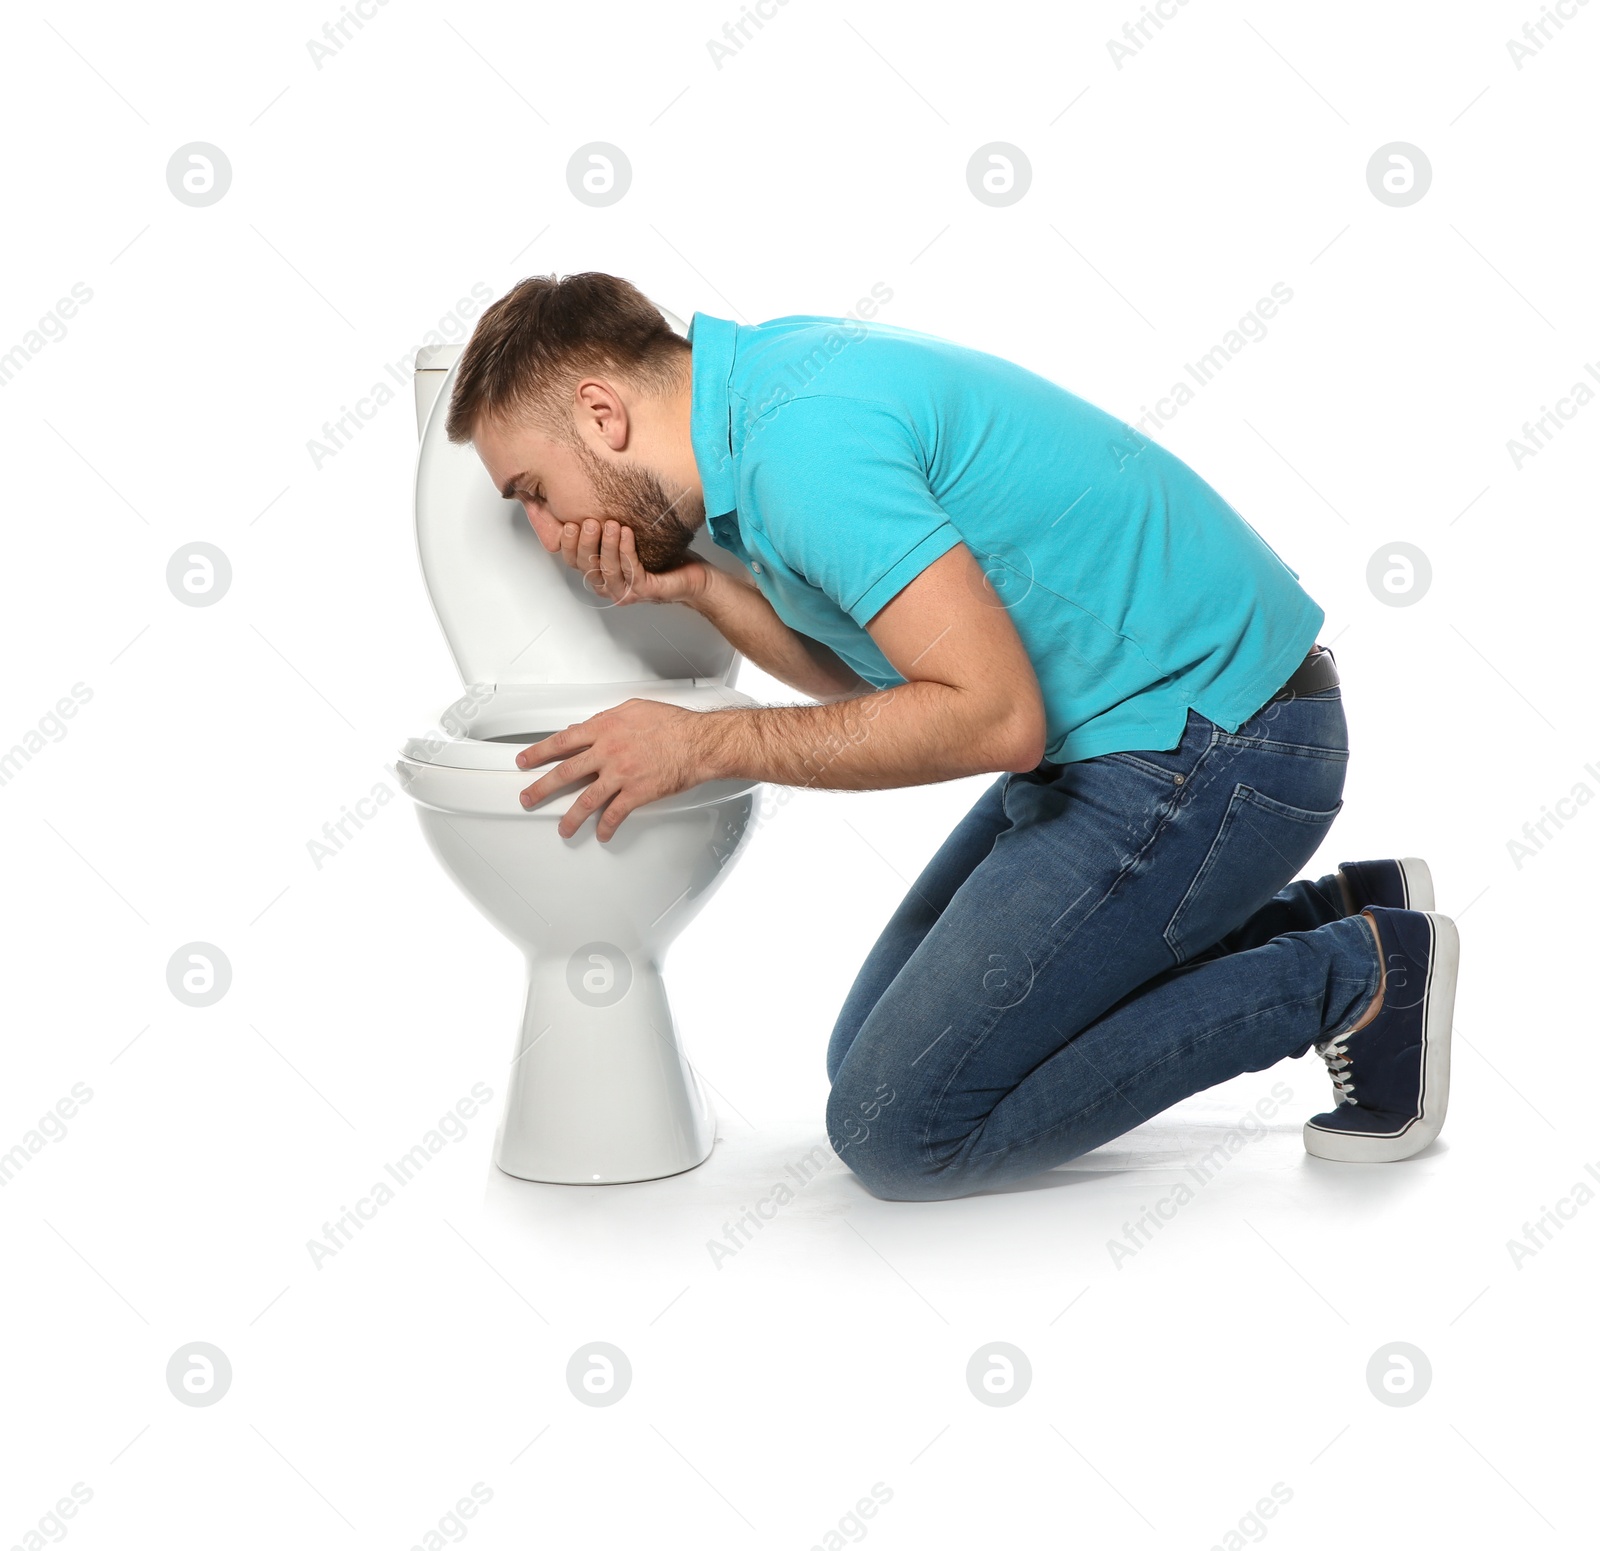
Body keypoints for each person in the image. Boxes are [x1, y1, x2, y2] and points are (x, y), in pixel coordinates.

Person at [442, 270, 1460, 1202]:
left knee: (903, 1131)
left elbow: (991, 718)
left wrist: (702, 744)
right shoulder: (762, 395)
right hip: (1146, 733)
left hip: (1218, 748)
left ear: (600, 412)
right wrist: (701, 588)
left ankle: (1356, 974)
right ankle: (1329, 910)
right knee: (868, 1067)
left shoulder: (804, 453)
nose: (546, 529)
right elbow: (863, 666)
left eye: (532, 490)